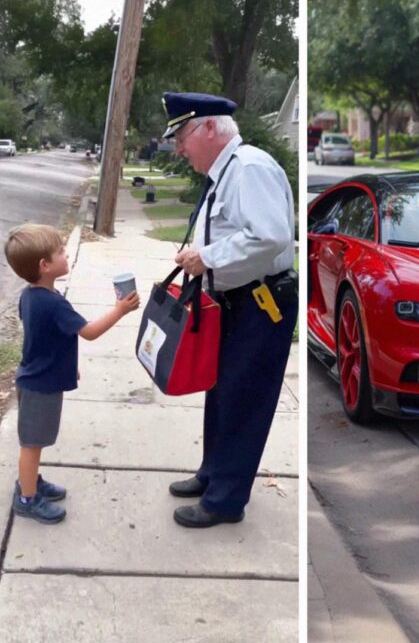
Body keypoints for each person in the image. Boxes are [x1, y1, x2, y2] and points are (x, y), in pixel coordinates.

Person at [161, 91, 297, 528]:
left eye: (181, 136)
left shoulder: (249, 168)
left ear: (209, 127)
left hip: (261, 303)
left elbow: (270, 236)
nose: (179, 149)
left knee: (245, 400)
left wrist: (208, 257)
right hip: (235, 300)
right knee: (220, 392)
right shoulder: (226, 172)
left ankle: (225, 501)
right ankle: (213, 474)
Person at [4, 224, 140, 523]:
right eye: (61, 252)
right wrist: (120, 310)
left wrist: (66, 366)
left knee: (36, 440)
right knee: (32, 444)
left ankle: (31, 481)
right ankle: (26, 498)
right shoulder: (53, 303)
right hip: (40, 385)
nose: (66, 255)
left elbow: (44, 340)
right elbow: (88, 332)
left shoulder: (31, 295)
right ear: (45, 265)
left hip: (36, 377)